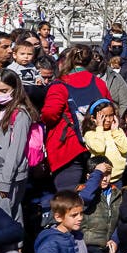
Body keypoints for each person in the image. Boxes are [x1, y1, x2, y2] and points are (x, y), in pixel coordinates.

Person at [41, 44, 110, 191]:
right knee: (95, 190)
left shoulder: (59, 85)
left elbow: (50, 114)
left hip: (68, 146)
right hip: (96, 144)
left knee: (67, 195)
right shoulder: (99, 83)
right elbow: (109, 109)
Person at [0, 70, 39, 224]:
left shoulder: (20, 114)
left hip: (8, 175)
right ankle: (17, 246)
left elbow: (15, 151)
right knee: (11, 212)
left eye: (4, 91)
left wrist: (5, 181)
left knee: (4, 217)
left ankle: (13, 247)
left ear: (15, 89)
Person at [77, 158, 125, 253]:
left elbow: (121, 219)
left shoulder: (116, 193)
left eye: (107, 174)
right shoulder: (83, 193)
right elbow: (86, 197)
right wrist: (97, 173)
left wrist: (115, 240)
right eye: (100, 175)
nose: (104, 179)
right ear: (89, 177)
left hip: (107, 243)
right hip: (89, 244)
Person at [82, 100, 127, 185]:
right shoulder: (90, 134)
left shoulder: (117, 131)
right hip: (100, 180)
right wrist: (99, 127)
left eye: (111, 115)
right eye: (103, 116)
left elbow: (125, 148)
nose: (108, 120)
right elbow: (99, 148)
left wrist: (115, 131)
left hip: (117, 179)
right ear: (93, 118)